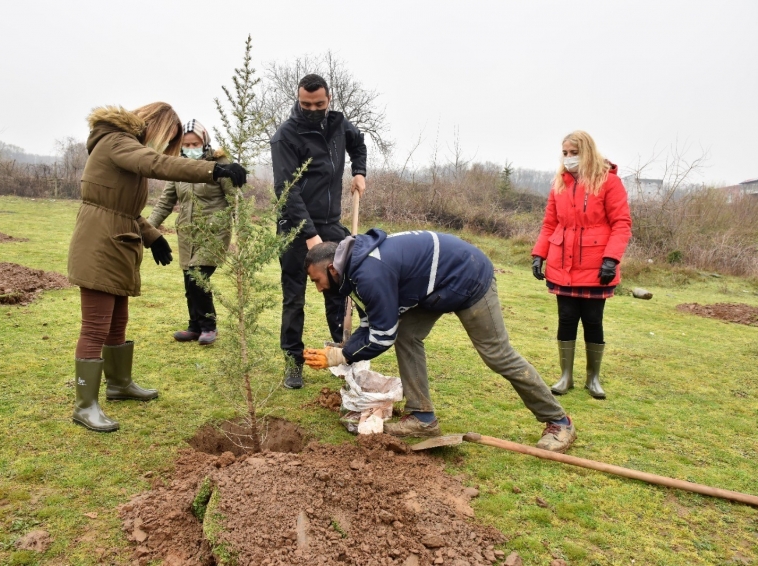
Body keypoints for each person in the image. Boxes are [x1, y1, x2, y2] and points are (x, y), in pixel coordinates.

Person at [302, 229, 577, 453]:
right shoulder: (355, 269)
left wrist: (340, 357)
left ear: (331, 268)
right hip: (435, 286)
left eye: (318, 280)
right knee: (408, 335)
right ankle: (422, 417)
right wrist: (338, 351)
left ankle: (559, 421)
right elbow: (372, 323)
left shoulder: (369, 273)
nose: (319, 288)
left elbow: (382, 336)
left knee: (497, 354)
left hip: (468, 277)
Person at [67, 103, 247, 432]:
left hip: (117, 241)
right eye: (169, 142)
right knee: (95, 327)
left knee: (117, 319)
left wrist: (152, 236)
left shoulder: (118, 144)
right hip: (99, 244)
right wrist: (213, 170)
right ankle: (85, 406)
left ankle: (119, 384)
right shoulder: (117, 142)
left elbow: (124, 208)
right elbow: (157, 164)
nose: (168, 149)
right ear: (158, 128)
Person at [270, 73, 368, 390]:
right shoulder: (286, 136)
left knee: (338, 292)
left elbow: (358, 144)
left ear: (328, 101)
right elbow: (287, 191)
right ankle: (293, 363)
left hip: (331, 223)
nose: (312, 109)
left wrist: (359, 172)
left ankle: (342, 356)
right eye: (305, 104)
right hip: (296, 227)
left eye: (319, 104)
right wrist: (311, 236)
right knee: (294, 297)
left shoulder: (339, 124)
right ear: (298, 101)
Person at [531, 131, 632, 400]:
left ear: (586, 151)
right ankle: (565, 376)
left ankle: (593, 378)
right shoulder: (559, 185)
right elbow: (550, 224)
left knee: (592, 320)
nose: (568, 158)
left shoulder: (609, 182)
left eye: (573, 152)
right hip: (561, 263)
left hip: (596, 265)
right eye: (564, 153)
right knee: (565, 318)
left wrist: (611, 259)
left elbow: (621, 224)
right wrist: (539, 254)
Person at [147, 120, 234, 345]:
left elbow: (236, 198)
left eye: (195, 143)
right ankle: (194, 326)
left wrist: (243, 231)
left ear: (204, 141)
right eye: (187, 144)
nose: (191, 148)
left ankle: (209, 327)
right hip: (187, 232)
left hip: (213, 232)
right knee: (189, 280)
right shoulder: (179, 166)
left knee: (198, 277)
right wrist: (147, 228)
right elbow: (166, 201)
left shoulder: (219, 164)